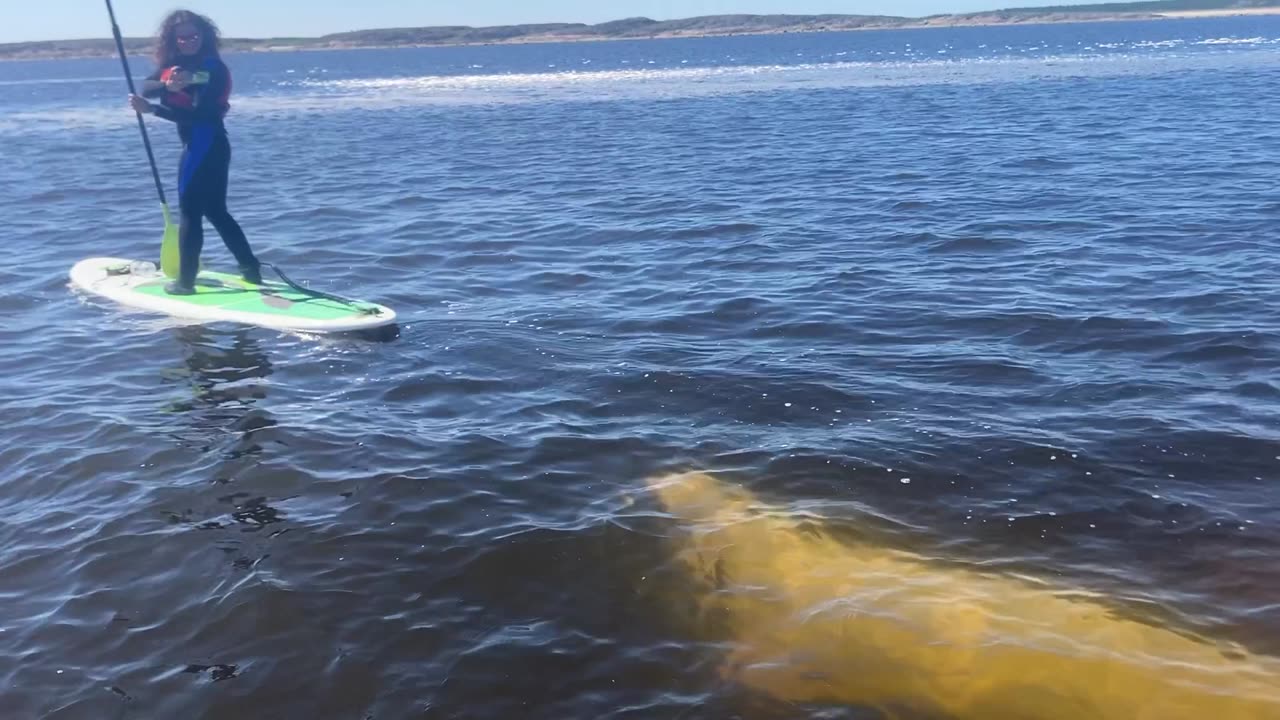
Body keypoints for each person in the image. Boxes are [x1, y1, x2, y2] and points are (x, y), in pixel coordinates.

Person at [128, 10, 261, 295]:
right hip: (205, 147)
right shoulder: (173, 66)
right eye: (182, 38)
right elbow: (146, 86)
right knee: (216, 211)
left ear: (205, 36)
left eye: (194, 36)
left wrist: (153, 109)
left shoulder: (213, 69)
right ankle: (251, 270)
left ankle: (185, 284)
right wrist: (166, 83)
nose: (188, 42)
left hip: (206, 145)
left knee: (190, 212)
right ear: (173, 41)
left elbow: (200, 115)